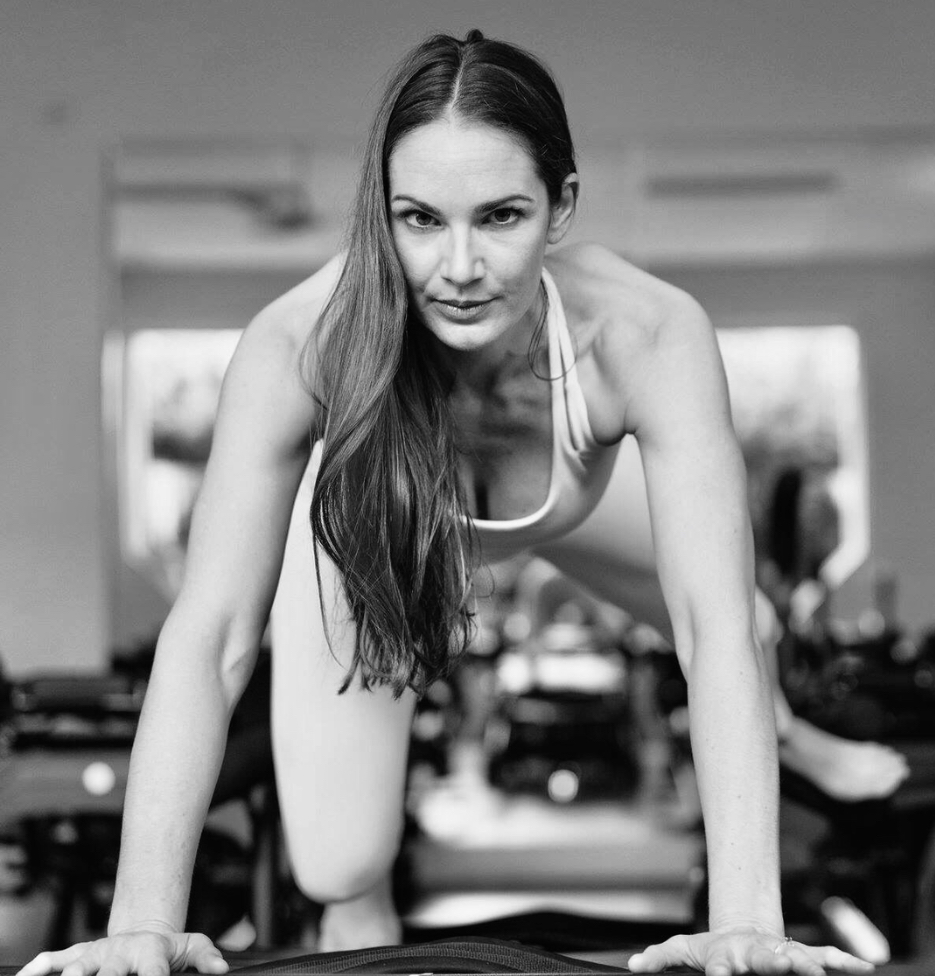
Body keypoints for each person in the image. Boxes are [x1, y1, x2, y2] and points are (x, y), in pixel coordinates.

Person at [18, 32, 874, 976]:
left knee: (740, 611)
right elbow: (211, 633)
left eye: (500, 216)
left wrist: (746, 921)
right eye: (420, 220)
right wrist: (139, 921)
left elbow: (710, 628)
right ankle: (361, 920)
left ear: (561, 208)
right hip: (375, 529)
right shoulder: (300, 345)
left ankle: (799, 741)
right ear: (380, 215)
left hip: (571, 498)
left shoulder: (644, 334)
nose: (459, 266)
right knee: (340, 861)